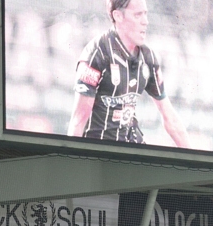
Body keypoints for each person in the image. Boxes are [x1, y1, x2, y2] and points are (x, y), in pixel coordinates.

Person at [66, 0, 190, 147]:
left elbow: (170, 117)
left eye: (145, 14)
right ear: (118, 16)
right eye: (138, 15)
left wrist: (197, 162)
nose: (146, 22)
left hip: (131, 147)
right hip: (99, 150)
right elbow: (79, 119)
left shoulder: (148, 57)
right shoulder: (97, 53)